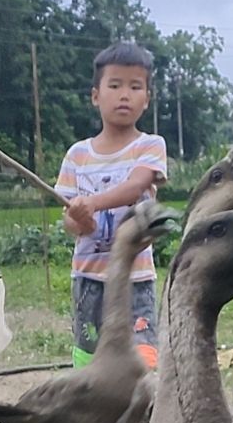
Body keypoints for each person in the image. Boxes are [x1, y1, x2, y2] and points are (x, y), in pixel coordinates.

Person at [55, 42, 168, 369]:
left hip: (136, 280)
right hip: (89, 280)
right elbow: (73, 225)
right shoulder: (77, 155)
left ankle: (135, 420)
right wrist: (81, 219)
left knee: (140, 364)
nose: (124, 95)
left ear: (146, 99)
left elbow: (136, 186)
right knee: (91, 364)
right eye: (115, 85)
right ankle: (97, 420)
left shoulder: (149, 145)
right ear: (95, 95)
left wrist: (90, 202)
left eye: (135, 87)